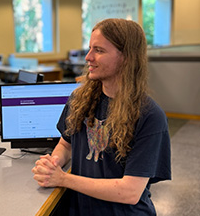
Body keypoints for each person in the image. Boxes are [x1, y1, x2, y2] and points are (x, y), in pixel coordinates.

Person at [32, 18, 171, 215]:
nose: (88, 57)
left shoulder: (149, 116)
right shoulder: (80, 99)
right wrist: (52, 165)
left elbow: (129, 191)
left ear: (126, 58)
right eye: (89, 48)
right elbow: (65, 144)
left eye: (99, 50)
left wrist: (63, 179)